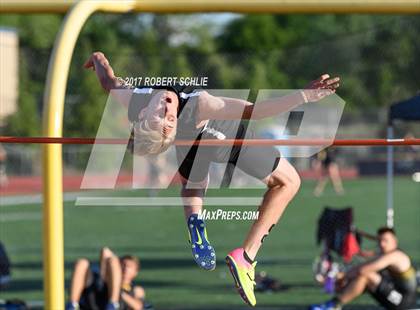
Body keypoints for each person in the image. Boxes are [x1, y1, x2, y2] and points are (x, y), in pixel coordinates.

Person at [84, 51, 340, 306]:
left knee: (194, 182)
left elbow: (108, 81)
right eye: (168, 118)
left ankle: (195, 219)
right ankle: (246, 257)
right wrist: (304, 95)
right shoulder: (198, 103)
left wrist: (97, 58)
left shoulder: (135, 99)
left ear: (141, 115)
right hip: (222, 136)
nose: (165, 108)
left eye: (163, 115)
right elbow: (255, 111)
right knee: (289, 181)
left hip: (190, 140)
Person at [310, 227, 418, 310]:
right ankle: (333, 303)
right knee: (362, 278)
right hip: (396, 295)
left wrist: (341, 276)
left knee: (366, 275)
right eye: (380, 240)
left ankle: (333, 305)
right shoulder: (386, 254)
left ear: (395, 241)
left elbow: (363, 270)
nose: (382, 244)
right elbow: (365, 257)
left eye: (385, 240)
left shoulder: (394, 256)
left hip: (404, 302)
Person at [66, 247, 146, 310]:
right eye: (123, 265)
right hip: (94, 302)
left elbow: (138, 307)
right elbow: (105, 251)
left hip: (115, 302)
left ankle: (113, 305)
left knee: (113, 261)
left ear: (136, 272)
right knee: (82, 263)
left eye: (130, 266)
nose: (125, 268)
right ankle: (72, 305)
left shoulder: (136, 289)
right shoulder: (106, 279)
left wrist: (119, 292)